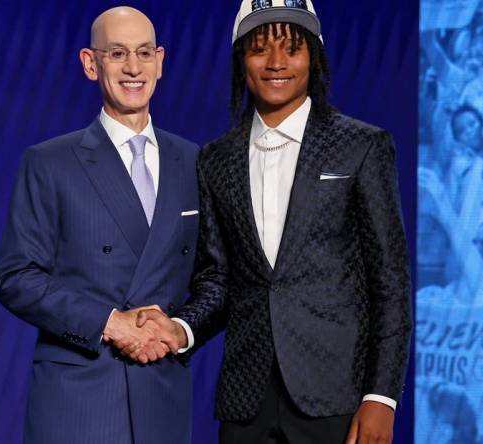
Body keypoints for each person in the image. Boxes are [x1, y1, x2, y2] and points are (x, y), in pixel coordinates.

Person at [125, 2, 412, 443]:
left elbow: (390, 283)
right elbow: (218, 281)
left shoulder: (361, 146)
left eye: (292, 49)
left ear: (313, 57)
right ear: (241, 59)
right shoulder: (216, 160)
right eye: (260, 49)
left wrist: (382, 397)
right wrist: (179, 328)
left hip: (336, 398)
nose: (276, 63)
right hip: (247, 401)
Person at [0, 6, 198, 444]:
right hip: (80, 399)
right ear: (91, 63)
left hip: (162, 393)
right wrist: (110, 322)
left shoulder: (195, 163)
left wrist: (179, 330)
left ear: (161, 61)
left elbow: (216, 278)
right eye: (117, 53)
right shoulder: (49, 163)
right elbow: (16, 277)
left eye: (144, 53)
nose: (133, 67)